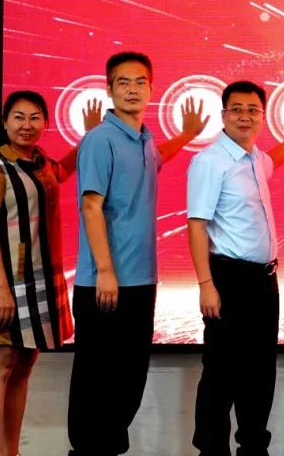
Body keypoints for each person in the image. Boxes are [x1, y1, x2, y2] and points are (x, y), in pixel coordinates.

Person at [68, 52, 208, 456]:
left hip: (141, 281)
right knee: (97, 383)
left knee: (129, 380)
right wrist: (105, 270)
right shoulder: (100, 139)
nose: (132, 89)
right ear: (109, 89)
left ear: (151, 88)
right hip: (106, 283)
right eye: (123, 82)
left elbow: (156, 160)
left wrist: (187, 134)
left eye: (140, 82)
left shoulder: (142, 139)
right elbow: (90, 206)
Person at [188, 81, 284, 456]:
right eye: (237, 109)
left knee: (260, 370)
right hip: (228, 279)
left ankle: (253, 445)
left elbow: (275, 159)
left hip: (264, 281)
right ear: (223, 115)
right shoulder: (210, 162)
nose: (244, 116)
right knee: (222, 371)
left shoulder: (255, 158)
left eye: (252, 110)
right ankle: (212, 448)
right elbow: (196, 225)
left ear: (262, 116)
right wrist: (205, 284)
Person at [0, 91, 100, 456]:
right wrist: (2, 288)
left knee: (24, 363)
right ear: (5, 122)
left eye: (34, 118)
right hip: (3, 279)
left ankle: (11, 450)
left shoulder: (40, 162)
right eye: (18, 117)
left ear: (44, 122)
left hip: (40, 277)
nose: (26, 125)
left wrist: (88, 136)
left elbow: (63, 172)